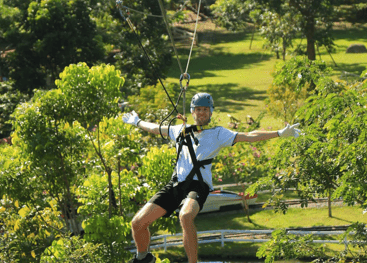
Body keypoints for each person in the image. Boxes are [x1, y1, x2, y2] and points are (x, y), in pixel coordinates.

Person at [122, 92, 301, 263]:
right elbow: (156, 128)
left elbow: (249, 136)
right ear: (192, 112)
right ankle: (143, 257)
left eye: (205, 110)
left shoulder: (217, 133)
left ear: (211, 112)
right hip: (176, 183)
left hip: (198, 185)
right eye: (198, 109)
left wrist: (278, 133)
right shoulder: (179, 130)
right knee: (137, 223)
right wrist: (137, 122)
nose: (201, 113)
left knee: (185, 216)